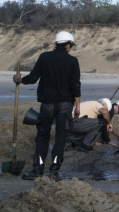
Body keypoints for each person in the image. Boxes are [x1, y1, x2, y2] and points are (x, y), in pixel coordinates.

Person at [13, 31, 81, 180]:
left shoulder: (44, 57)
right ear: (68, 45)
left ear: (57, 43)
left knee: (42, 137)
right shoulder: (72, 61)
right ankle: (54, 171)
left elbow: (33, 77)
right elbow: (75, 85)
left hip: (47, 104)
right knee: (60, 139)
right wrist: (78, 106)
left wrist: (19, 80)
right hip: (65, 105)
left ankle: (38, 171)